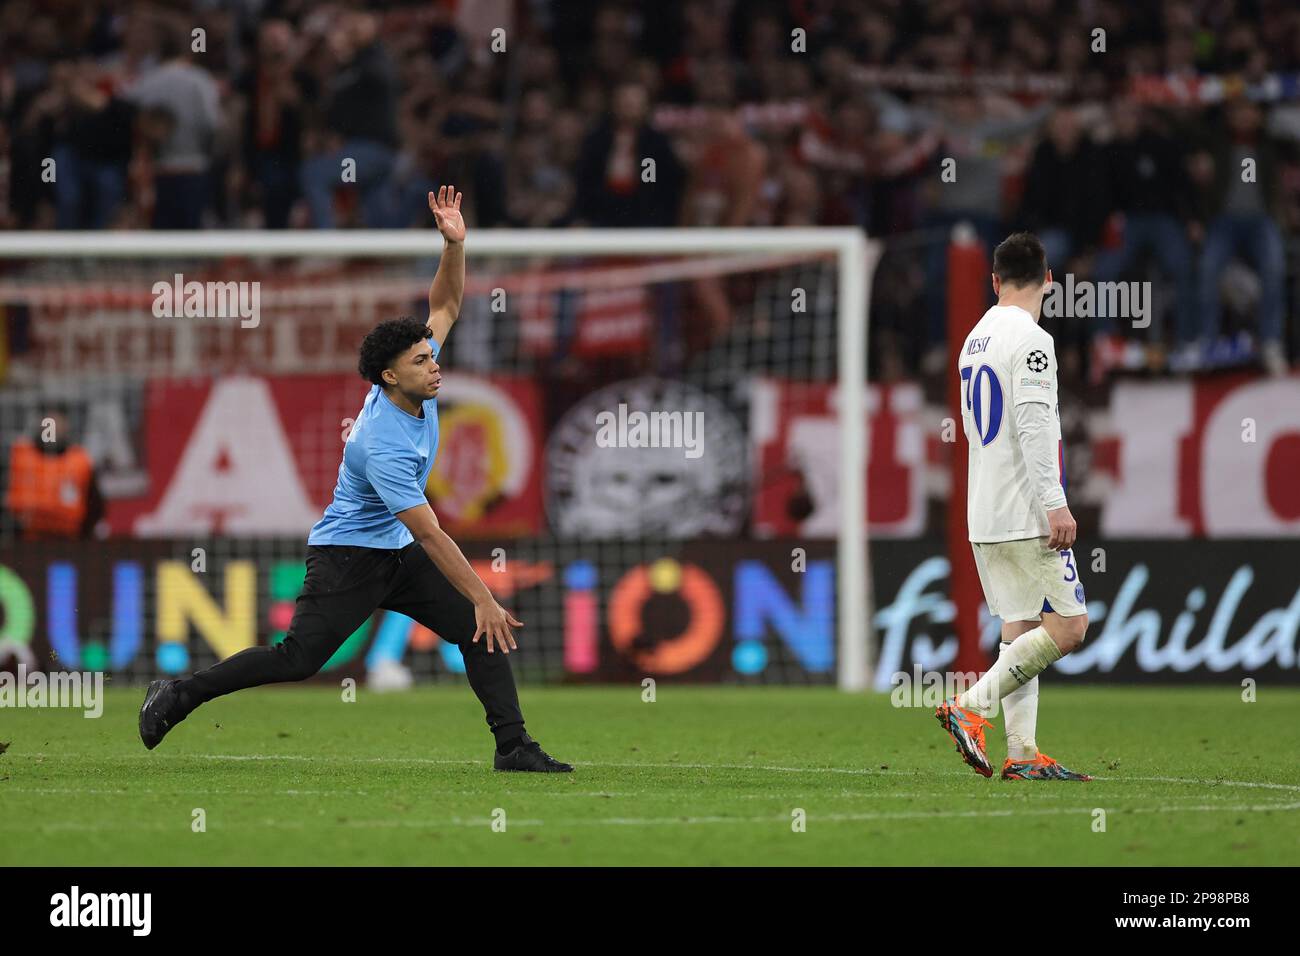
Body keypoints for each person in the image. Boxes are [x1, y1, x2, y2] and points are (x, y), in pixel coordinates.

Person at [139, 187, 572, 773]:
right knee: (299, 660)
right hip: (350, 557)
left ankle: (513, 747)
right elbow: (430, 534)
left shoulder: (414, 380)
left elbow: (443, 306)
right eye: (422, 361)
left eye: (431, 356)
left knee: (477, 631)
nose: (434, 363)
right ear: (390, 378)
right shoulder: (380, 445)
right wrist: (484, 595)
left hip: (394, 551)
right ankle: (180, 694)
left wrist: (453, 244)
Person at [936, 232, 1091, 782]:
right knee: (1070, 627)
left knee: (1019, 630)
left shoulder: (973, 340)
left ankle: (1022, 756)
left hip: (984, 510)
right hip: (1028, 512)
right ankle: (969, 707)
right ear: (1049, 280)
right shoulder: (1032, 340)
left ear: (995, 281)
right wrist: (1056, 505)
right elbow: (1033, 426)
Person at [3, 407, 104, 540]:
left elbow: (95, 506)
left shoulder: (80, 461)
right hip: (23, 540)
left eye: (57, 423)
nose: (52, 429)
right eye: (48, 423)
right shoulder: (18, 455)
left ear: (66, 425)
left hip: (70, 540)